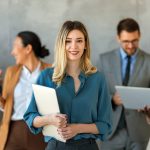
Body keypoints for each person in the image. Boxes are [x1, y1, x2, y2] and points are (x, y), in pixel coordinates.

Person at [24, 20, 112, 150]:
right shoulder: (46, 77)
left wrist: (78, 128)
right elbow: (30, 117)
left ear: (85, 44)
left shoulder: (98, 79)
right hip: (56, 146)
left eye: (79, 41)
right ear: (61, 44)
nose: (74, 46)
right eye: (68, 41)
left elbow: (105, 125)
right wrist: (49, 119)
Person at [98, 18, 150, 150]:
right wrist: (112, 100)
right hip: (112, 132)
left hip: (140, 133)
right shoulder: (104, 60)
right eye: (126, 41)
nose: (131, 46)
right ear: (118, 38)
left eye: (134, 41)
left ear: (139, 36)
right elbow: (95, 94)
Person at [0, 31, 52, 150]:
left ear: (28, 48)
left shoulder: (50, 71)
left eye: (15, 46)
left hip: (41, 131)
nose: (12, 52)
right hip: (13, 131)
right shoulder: (11, 72)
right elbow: (5, 105)